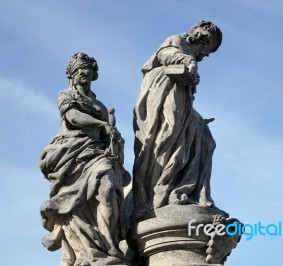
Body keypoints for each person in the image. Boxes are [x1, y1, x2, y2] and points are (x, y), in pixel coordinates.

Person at [40, 52, 130, 265]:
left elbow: (107, 133)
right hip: (72, 154)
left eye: (88, 73)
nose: (85, 76)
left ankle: (109, 245)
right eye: (81, 72)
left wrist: (114, 136)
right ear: (72, 74)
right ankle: (89, 251)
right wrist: (102, 124)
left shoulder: (99, 105)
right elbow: (73, 117)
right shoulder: (66, 95)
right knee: (77, 207)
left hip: (97, 154)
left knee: (108, 189)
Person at [133, 21, 222, 219]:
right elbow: (165, 55)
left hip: (181, 100)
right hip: (162, 92)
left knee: (205, 138)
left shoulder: (193, 56)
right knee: (168, 136)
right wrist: (186, 61)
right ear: (195, 29)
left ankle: (185, 189)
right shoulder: (176, 40)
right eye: (206, 36)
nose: (206, 44)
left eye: (210, 46)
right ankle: (158, 195)